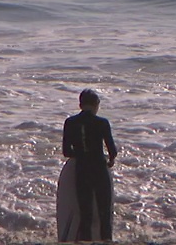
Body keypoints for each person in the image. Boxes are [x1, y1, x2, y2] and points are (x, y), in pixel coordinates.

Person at [62, 89, 118, 241]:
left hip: (82, 170)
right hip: (99, 168)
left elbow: (66, 151)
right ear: (96, 105)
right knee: (104, 214)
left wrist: (81, 154)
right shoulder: (102, 123)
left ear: (80, 105)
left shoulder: (70, 122)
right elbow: (112, 150)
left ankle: (85, 241)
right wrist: (111, 160)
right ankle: (106, 241)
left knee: (85, 214)